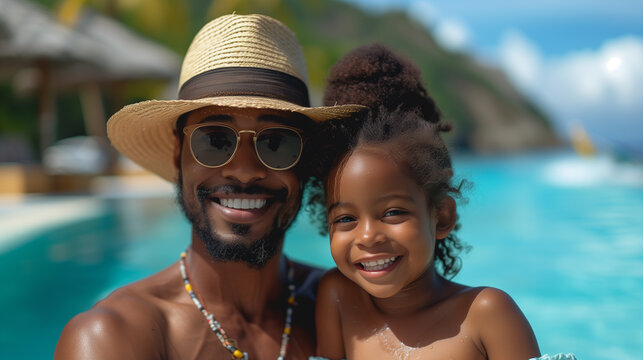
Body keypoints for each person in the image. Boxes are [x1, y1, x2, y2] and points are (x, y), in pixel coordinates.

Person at [54, 14, 363, 360]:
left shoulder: (351, 311)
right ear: (177, 154)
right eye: (215, 139)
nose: (245, 172)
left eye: (276, 142)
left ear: (305, 162)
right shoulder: (114, 339)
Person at [306, 45, 577, 360]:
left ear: (442, 217)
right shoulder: (338, 298)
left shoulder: (486, 316)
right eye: (345, 219)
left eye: (393, 213)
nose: (367, 236)